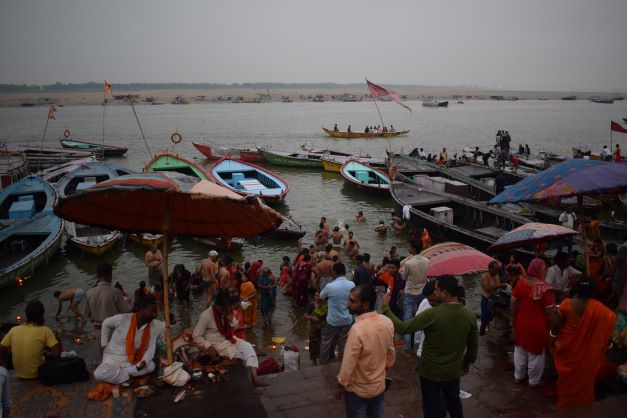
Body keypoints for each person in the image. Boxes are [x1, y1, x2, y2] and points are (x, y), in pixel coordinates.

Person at [382, 276, 478, 418]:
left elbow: (402, 328)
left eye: (437, 290)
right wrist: (466, 363)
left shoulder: (432, 314)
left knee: (432, 406)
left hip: (430, 371)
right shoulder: (469, 315)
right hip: (453, 371)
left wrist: (385, 308)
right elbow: (472, 348)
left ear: (444, 293)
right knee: (454, 403)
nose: (435, 293)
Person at [551, 278, 616, 410]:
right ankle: (581, 409)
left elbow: (556, 327)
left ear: (577, 289)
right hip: (588, 355)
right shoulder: (602, 311)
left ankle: (565, 406)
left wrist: (550, 339)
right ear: (593, 292)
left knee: (566, 382)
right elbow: (606, 334)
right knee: (584, 383)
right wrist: (607, 347)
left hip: (566, 350)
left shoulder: (566, 304)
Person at [338, 285, 395, 418]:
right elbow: (391, 355)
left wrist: (341, 384)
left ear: (365, 304)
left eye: (353, 301)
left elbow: (348, 364)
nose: (348, 305)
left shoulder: (357, 329)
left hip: (358, 389)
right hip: (379, 386)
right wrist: (382, 372)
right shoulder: (387, 322)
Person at [193, 291, 269, 386]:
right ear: (216, 305)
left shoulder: (226, 312)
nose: (224, 312)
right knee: (239, 358)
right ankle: (246, 385)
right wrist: (208, 346)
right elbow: (196, 335)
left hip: (229, 339)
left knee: (248, 347)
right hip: (217, 345)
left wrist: (230, 318)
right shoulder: (206, 315)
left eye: (225, 309)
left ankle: (255, 378)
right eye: (222, 310)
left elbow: (235, 326)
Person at [93, 296, 159, 384]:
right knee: (98, 374)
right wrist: (104, 344)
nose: (155, 315)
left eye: (155, 311)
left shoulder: (153, 327)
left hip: (131, 360)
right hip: (113, 358)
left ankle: (122, 375)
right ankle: (128, 375)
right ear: (142, 309)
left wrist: (144, 361)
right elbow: (106, 323)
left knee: (151, 366)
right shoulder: (123, 318)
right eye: (152, 311)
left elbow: (150, 348)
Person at [510, 258, 554, 387]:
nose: (545, 271)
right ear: (539, 270)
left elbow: (512, 302)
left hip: (521, 322)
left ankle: (518, 377)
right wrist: (554, 325)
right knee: (536, 354)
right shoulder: (545, 289)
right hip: (538, 326)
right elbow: (550, 312)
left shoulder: (521, 283)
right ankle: (533, 382)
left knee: (520, 350)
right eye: (544, 268)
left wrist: (513, 318)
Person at [0, 301, 61, 380]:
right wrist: (48, 353)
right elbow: (57, 354)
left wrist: (3, 365)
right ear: (42, 314)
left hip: (19, 373)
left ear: (26, 314)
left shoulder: (14, 330)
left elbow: (1, 348)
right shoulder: (45, 330)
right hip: (38, 373)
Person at [319, 263, 355, 364]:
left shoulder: (330, 286)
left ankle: (323, 362)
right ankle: (341, 361)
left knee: (326, 341)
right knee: (342, 342)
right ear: (344, 272)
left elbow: (321, 297)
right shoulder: (352, 284)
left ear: (334, 272)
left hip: (333, 320)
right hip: (347, 319)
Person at [398, 239, 429, 356]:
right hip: (422, 292)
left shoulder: (408, 263)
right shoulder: (426, 260)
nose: (408, 248)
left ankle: (407, 349)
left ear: (414, 248)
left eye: (409, 246)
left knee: (408, 321)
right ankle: (421, 342)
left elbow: (404, 278)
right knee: (422, 318)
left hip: (410, 292)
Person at [84, 262, 131, 330]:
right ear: (110, 275)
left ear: (97, 276)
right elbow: (126, 310)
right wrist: (132, 300)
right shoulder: (116, 292)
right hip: (113, 330)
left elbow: (86, 314)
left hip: (98, 330)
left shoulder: (89, 293)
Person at [479, 261, 507, 336]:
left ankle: (490, 333)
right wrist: (500, 285)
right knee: (484, 321)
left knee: (493, 319)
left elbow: (498, 287)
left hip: (495, 300)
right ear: (490, 268)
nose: (497, 271)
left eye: (498, 269)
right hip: (486, 301)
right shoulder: (484, 276)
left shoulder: (496, 275)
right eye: (495, 269)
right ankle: (481, 335)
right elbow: (487, 289)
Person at [414, 280, 439, 359]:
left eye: (433, 298)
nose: (431, 302)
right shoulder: (424, 302)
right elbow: (416, 321)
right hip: (424, 351)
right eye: (428, 299)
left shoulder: (447, 308)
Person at [304, 291, 327, 365]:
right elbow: (306, 313)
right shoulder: (311, 305)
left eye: (319, 296)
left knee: (321, 343)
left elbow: (320, 319)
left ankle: (321, 357)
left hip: (322, 328)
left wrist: (310, 317)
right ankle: (313, 359)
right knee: (312, 344)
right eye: (316, 295)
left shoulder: (324, 306)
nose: (317, 297)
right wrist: (307, 316)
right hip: (313, 328)